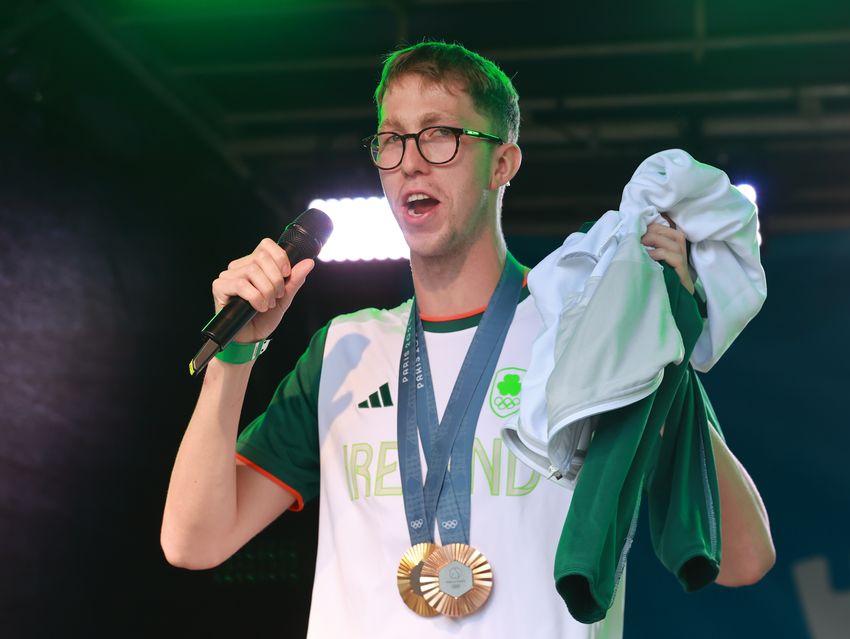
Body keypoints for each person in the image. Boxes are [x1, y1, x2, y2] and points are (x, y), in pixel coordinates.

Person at [161, 41, 775, 638]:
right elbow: (194, 541)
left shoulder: (586, 330)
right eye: (392, 138)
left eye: (440, 134)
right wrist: (235, 357)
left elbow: (744, 558)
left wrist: (661, 351)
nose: (410, 160)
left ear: (502, 164)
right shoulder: (344, 349)